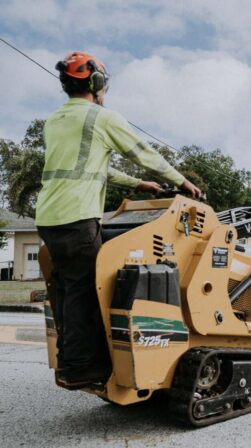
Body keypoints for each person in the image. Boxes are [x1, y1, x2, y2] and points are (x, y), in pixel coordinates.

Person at [35, 51, 201, 388]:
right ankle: (81, 368)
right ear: (96, 83)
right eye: (104, 85)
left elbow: (93, 165)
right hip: (77, 216)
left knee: (69, 289)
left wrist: (137, 184)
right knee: (89, 290)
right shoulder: (101, 117)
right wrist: (182, 181)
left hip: (49, 217)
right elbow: (144, 154)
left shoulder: (55, 120)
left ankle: (75, 361)